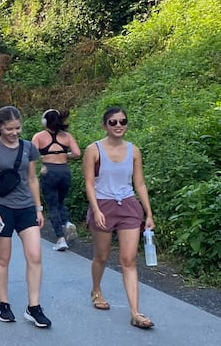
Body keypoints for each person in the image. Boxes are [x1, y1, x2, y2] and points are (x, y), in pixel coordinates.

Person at [0, 106, 51, 328]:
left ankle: (34, 307)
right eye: (9, 128)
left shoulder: (29, 147)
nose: (14, 132)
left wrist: (39, 208)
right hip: (1, 208)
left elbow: (32, 179)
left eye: (18, 128)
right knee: (3, 258)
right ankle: (4, 304)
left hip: (26, 207)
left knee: (35, 256)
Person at [83, 107, 155, 329]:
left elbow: (139, 183)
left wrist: (148, 212)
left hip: (128, 206)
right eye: (113, 122)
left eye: (122, 121)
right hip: (103, 205)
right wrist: (96, 210)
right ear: (105, 125)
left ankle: (135, 312)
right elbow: (88, 183)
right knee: (102, 256)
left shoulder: (134, 151)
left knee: (128, 260)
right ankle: (96, 289)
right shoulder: (93, 150)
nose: (118, 126)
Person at [31, 109, 81, 251]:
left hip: (49, 171)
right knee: (60, 202)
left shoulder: (39, 137)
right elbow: (77, 153)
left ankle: (61, 239)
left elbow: (32, 156)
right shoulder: (67, 136)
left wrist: (44, 158)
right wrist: (64, 155)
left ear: (45, 121)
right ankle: (67, 222)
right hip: (64, 171)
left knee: (52, 205)